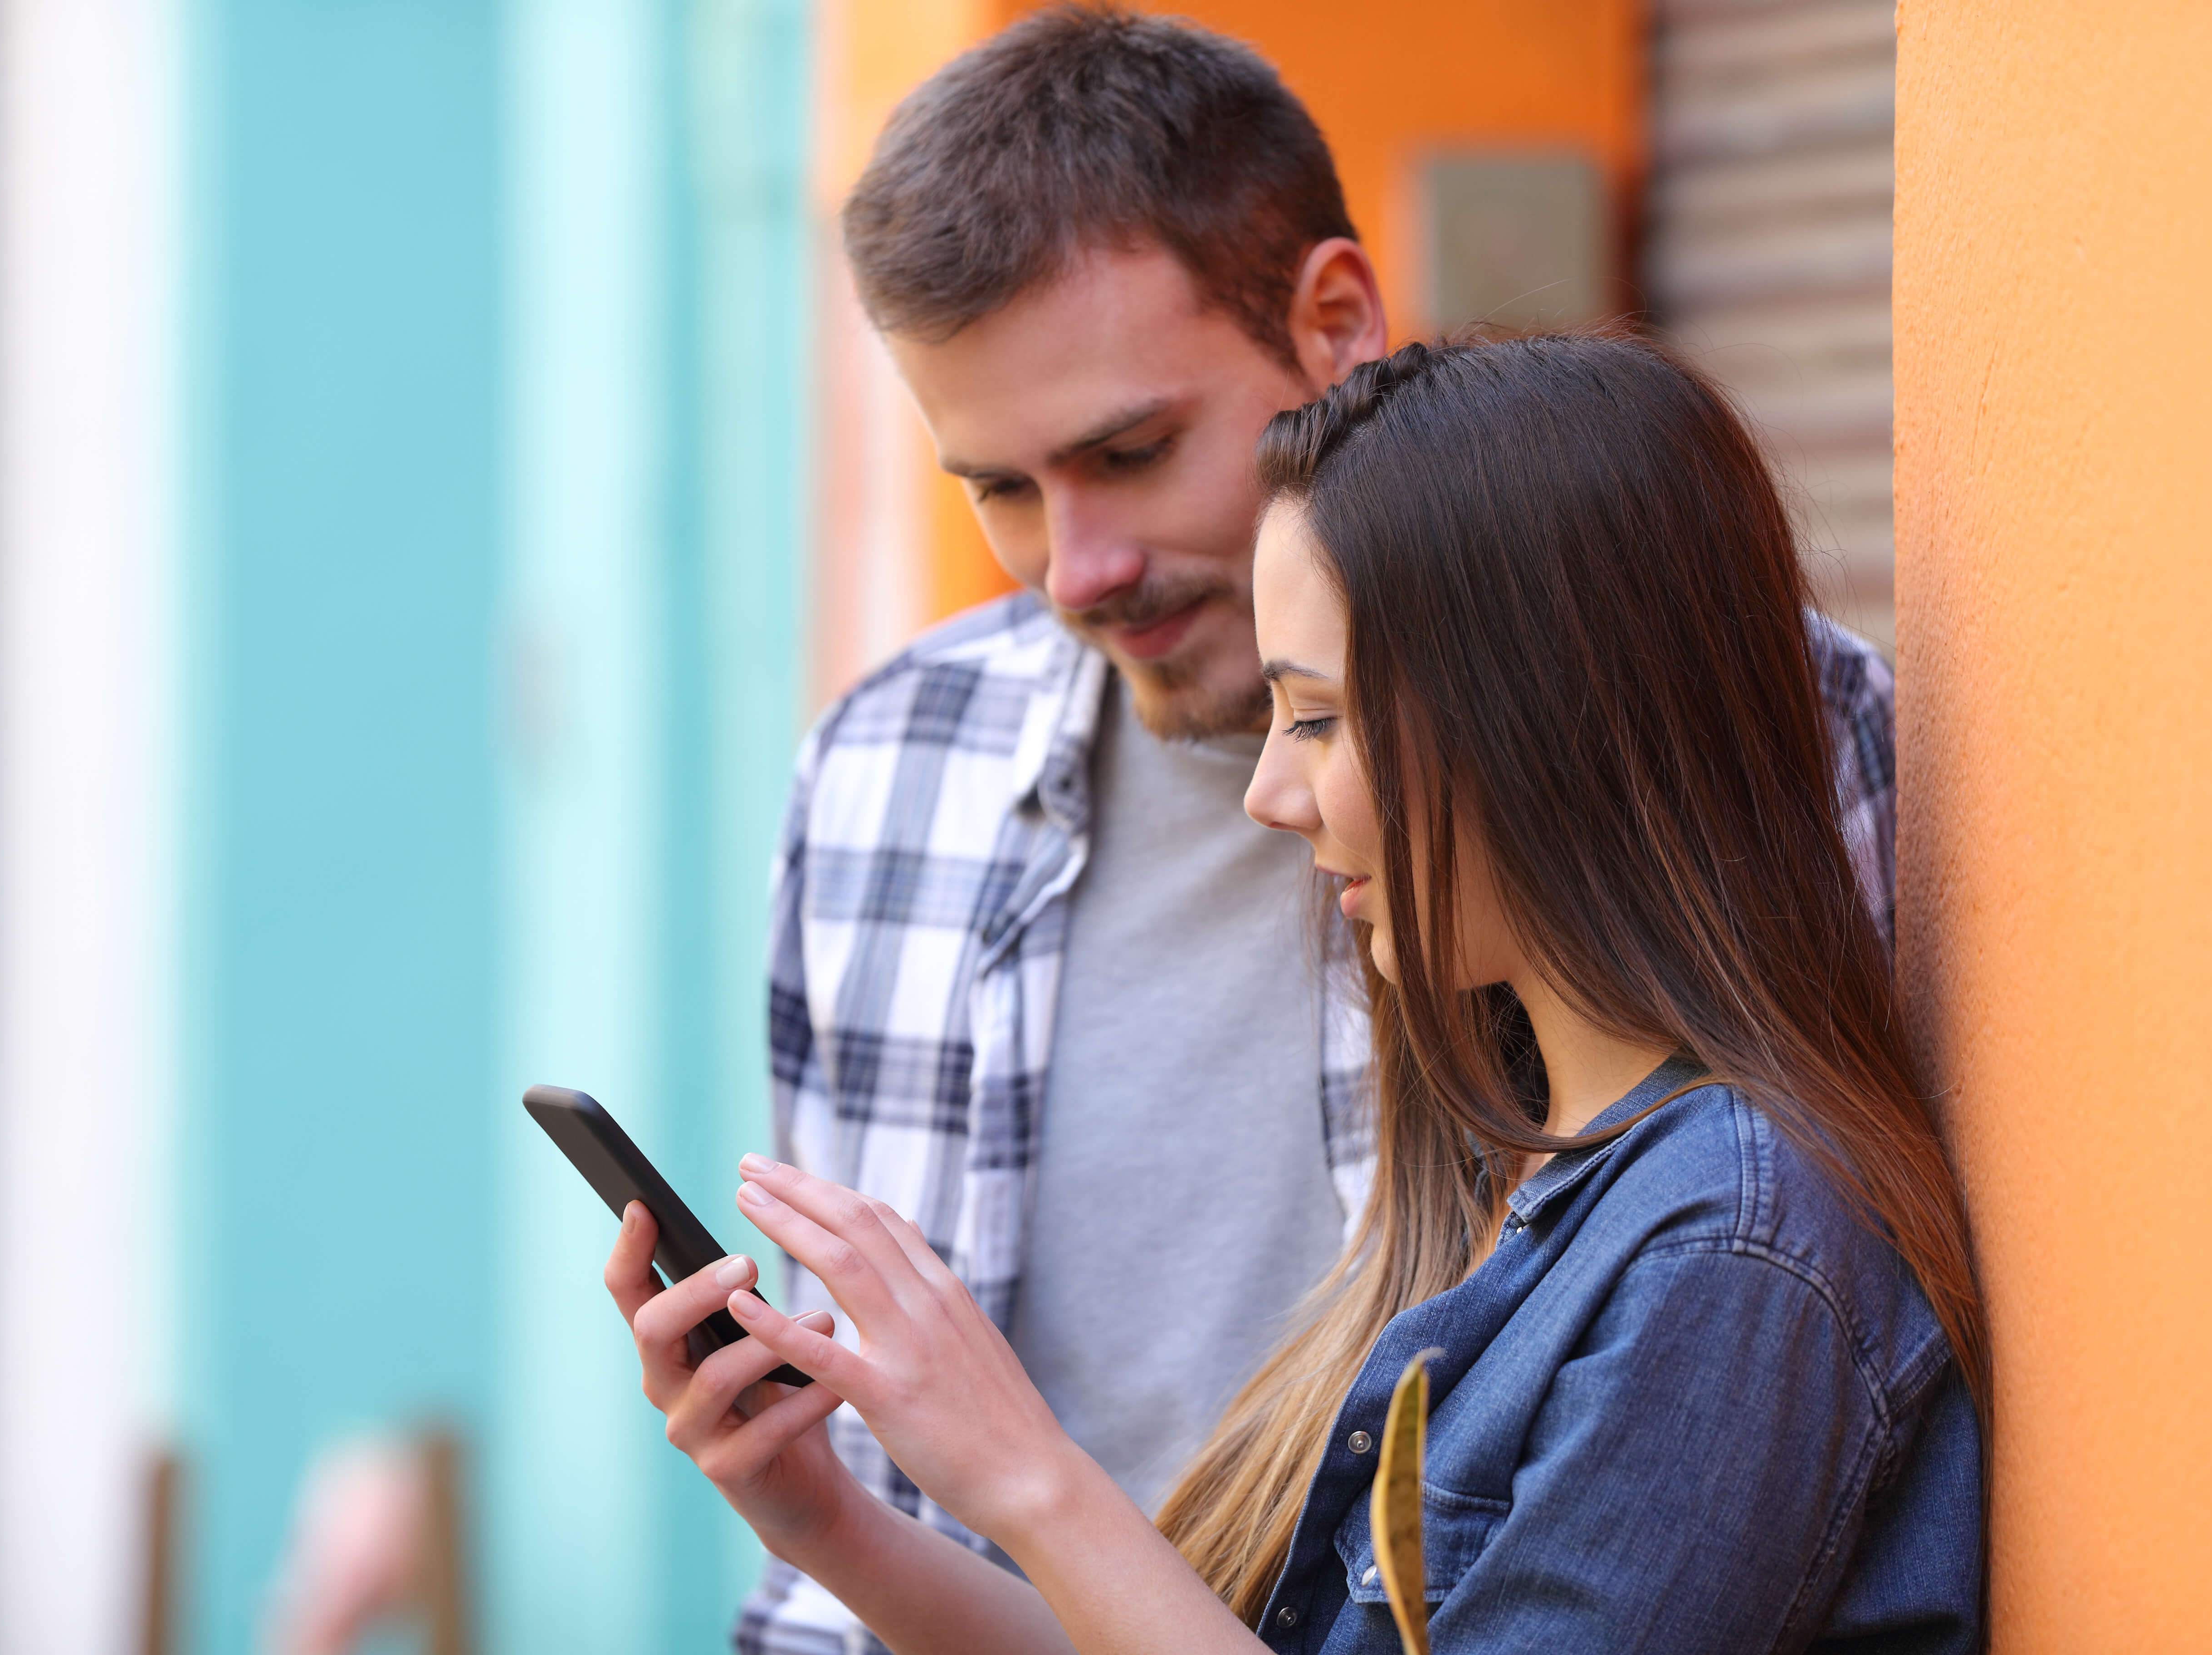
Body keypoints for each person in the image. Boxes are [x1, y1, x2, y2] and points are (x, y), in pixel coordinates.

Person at [740, 8, 1897, 1650]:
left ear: (1335, 322)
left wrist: (1025, 1481)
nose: (1075, 569)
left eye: (1130, 453)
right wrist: (826, 1519)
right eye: (995, 490)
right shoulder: (881, 774)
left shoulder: (1753, 748)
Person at [609, 331, 1986, 1652]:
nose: (1272, 794)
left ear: (1546, 719)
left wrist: (1028, 1477)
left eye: (1317, 718)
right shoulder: (1533, 1178)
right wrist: (831, 1522)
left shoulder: (1734, 1249)